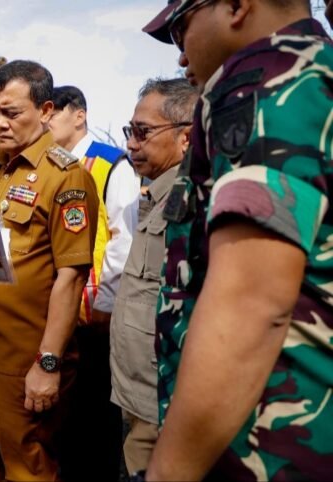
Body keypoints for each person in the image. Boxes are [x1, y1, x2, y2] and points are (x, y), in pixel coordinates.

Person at [140, 0, 333, 480]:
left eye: (181, 28)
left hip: (270, 447)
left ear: (235, 5)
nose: (180, 56)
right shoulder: (316, 71)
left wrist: (171, 471)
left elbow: (252, 301)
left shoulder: (267, 79)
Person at [0, 60, 100, 482]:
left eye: (11, 112)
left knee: (28, 470)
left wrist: (48, 363)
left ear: (45, 111)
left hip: (25, 362)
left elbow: (71, 277)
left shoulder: (66, 176)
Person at [48, 84, 139, 481]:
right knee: (61, 417)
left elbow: (125, 236)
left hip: (93, 316)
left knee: (96, 415)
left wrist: (106, 302)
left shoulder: (109, 163)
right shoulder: (51, 165)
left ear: (78, 114)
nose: (45, 120)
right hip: (57, 312)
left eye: (53, 113)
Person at [109, 77, 197, 475]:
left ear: (186, 138)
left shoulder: (190, 202)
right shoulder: (156, 196)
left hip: (165, 407)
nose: (131, 144)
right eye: (131, 131)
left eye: (143, 132)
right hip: (141, 399)